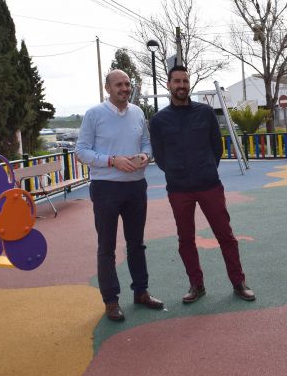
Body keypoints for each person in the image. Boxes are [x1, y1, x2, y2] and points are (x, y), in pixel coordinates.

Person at [150, 65, 255, 303]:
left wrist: (207, 167)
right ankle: (196, 285)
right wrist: (176, 172)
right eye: (177, 81)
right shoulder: (159, 120)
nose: (181, 85)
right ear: (169, 85)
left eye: (185, 81)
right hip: (178, 189)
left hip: (209, 184)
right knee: (185, 239)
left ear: (189, 84)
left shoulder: (205, 112)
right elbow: (160, 154)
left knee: (225, 235)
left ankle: (239, 283)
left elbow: (216, 147)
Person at [75, 69, 164, 321]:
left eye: (127, 84)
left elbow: (146, 142)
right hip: (106, 188)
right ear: (107, 88)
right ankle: (111, 301)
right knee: (107, 247)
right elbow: (81, 151)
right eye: (118, 85)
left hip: (136, 186)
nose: (124, 89)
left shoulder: (137, 112)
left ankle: (141, 291)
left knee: (137, 243)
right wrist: (112, 161)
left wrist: (146, 155)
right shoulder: (94, 114)